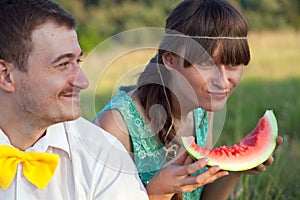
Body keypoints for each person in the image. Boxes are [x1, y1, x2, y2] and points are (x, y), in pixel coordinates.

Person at [93, 0, 283, 199]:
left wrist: (235, 169)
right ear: (170, 59)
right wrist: (157, 193)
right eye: (205, 63)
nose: (223, 81)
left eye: (233, 64)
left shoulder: (202, 110)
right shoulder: (114, 125)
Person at [0, 0, 149, 199]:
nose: (82, 81)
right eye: (62, 64)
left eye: (77, 61)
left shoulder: (104, 156)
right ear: (6, 75)